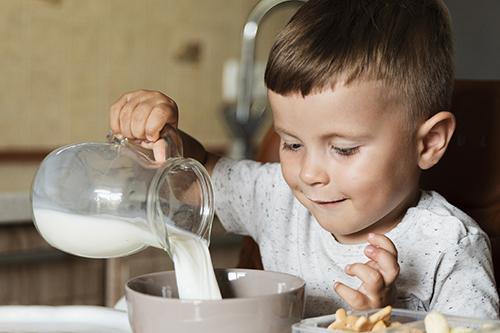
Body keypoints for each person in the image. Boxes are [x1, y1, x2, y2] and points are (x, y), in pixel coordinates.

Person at [109, 0, 499, 319]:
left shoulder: (450, 246)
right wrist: (161, 135)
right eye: (292, 144)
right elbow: (195, 178)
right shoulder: (277, 197)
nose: (309, 174)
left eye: (343, 149)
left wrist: (385, 319)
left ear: (428, 143)